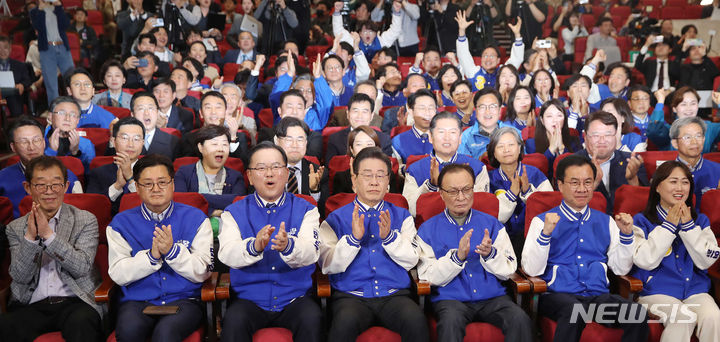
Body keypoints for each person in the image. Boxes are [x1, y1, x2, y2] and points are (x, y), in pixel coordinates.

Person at [522, 155, 649, 342]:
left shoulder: (607, 222)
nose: (582, 189)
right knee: (575, 311)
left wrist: (626, 236)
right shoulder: (542, 221)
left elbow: (621, 269)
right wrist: (545, 234)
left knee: (636, 313)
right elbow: (532, 270)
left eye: (587, 182)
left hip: (598, 297)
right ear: (560, 185)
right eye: (574, 183)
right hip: (557, 296)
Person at [318, 146, 428, 341]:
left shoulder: (402, 216)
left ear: (388, 182)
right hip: (351, 296)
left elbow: (412, 261)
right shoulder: (335, 218)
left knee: (416, 320)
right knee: (343, 324)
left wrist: (390, 239)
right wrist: (353, 240)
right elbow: (327, 265)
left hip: (395, 295)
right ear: (354, 181)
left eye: (380, 176)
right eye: (367, 176)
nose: (374, 182)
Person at [415, 163, 533, 342]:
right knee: (450, 323)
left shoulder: (492, 224)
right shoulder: (427, 230)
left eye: (466, 189)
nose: (461, 197)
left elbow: (510, 269)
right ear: (441, 193)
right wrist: (457, 258)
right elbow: (427, 276)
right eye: (453, 191)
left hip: (493, 297)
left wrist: (490, 254)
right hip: (451, 300)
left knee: (520, 319)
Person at [218, 142, 322, 342]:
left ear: (286, 173)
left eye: (276, 167)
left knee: (313, 318)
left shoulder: (307, 209)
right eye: (261, 168)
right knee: (233, 322)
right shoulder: (233, 212)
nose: (269, 173)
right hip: (248, 300)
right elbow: (227, 253)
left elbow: (312, 252)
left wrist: (289, 246)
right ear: (249, 176)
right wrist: (254, 247)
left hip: (295, 298)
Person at [107, 154, 213, 342]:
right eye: (148, 184)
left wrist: (173, 253)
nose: (156, 189)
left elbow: (204, 270)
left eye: (163, 182)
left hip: (184, 300)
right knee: (128, 331)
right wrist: (151, 257)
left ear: (172, 184)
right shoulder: (120, 223)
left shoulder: (196, 219)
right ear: (137, 188)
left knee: (166, 334)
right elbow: (117, 273)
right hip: (137, 301)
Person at [0, 156, 102, 342]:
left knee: (82, 324)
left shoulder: (85, 220)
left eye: (56, 184)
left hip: (75, 301)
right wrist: (30, 239)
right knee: (6, 327)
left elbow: (81, 268)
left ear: (65, 186)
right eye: (40, 185)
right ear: (28, 188)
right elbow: (20, 276)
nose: (49, 192)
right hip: (32, 304)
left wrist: (49, 236)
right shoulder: (15, 227)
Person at [631, 161, 720, 342]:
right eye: (673, 181)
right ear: (657, 187)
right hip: (656, 292)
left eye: (685, 182)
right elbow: (645, 260)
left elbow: (707, 260)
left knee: (713, 316)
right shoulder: (641, 220)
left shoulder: (700, 221)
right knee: (681, 317)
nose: (680, 188)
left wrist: (688, 227)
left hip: (695, 291)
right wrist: (669, 227)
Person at [404, 111, 489, 217]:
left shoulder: (477, 167)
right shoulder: (414, 170)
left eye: (453, 132)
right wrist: (431, 186)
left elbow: (482, 208)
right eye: (441, 132)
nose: (447, 137)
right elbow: (409, 210)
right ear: (430, 137)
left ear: (460, 138)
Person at [487, 127, 552, 258]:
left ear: (520, 148)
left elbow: (549, 209)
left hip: (532, 239)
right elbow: (490, 217)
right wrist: (511, 194)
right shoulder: (488, 179)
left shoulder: (535, 174)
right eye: (500, 146)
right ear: (493, 152)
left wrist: (528, 192)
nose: (506, 150)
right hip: (499, 242)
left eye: (511, 145)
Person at [0, 117, 83, 219]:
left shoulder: (67, 175)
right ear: (13, 147)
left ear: (44, 142)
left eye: (36, 140)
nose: (31, 147)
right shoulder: (2, 178)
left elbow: (80, 215)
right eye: (24, 142)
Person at [577, 111, 648, 213]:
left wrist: (633, 180)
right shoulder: (571, 164)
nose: (602, 140)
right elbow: (567, 203)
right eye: (596, 135)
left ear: (616, 136)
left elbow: (645, 204)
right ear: (585, 137)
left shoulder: (632, 161)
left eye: (608, 134)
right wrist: (593, 183)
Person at [175, 125, 246, 216]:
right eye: (214, 144)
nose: (220, 149)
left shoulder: (235, 176)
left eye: (225, 144)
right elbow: (180, 202)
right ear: (201, 147)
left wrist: (198, 197)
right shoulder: (184, 172)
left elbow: (238, 203)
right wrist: (214, 212)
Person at [86, 117, 144, 214]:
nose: (130, 144)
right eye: (125, 138)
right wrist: (117, 186)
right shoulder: (98, 173)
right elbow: (92, 209)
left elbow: (153, 204)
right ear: (113, 141)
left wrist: (130, 179)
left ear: (143, 143)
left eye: (136, 139)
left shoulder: (151, 171)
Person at [455, 10, 524, 91]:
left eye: (491, 56)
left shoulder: (503, 72)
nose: (488, 59)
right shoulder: (473, 72)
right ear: (481, 59)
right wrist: (462, 31)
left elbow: (517, 59)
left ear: (498, 60)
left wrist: (517, 35)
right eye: (485, 56)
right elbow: (463, 56)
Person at [177, 91, 249, 162]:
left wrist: (233, 137)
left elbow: (240, 165)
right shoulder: (189, 139)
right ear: (201, 113)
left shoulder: (239, 138)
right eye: (208, 107)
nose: (213, 112)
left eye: (218, 107)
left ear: (225, 111)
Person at [332, 125, 400, 195]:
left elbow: (395, 203)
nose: (364, 148)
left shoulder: (388, 175)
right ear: (352, 150)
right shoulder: (341, 178)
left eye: (369, 144)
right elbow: (338, 204)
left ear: (377, 148)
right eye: (359, 144)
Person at [257, 89, 323, 160]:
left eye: (299, 108)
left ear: (304, 112)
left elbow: (311, 162)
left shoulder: (313, 137)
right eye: (289, 107)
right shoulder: (266, 133)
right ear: (280, 111)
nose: (294, 112)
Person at [30, 0, 75, 104]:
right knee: (51, 83)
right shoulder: (34, 11)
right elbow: (38, 27)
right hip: (47, 49)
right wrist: (41, 10)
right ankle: (54, 110)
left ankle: (77, 106)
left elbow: (65, 25)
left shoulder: (58, 7)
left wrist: (59, 7)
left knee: (72, 78)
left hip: (62, 46)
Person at [326, 93, 393, 163]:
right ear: (348, 114)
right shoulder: (335, 139)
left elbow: (388, 169)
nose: (359, 116)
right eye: (355, 111)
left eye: (365, 111)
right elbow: (331, 169)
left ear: (372, 116)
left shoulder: (384, 140)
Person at [669, 117, 720, 209]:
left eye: (698, 136)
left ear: (704, 139)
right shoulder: (664, 173)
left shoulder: (718, 170)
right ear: (675, 143)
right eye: (687, 137)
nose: (694, 142)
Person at [274, 117, 328, 202]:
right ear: (277, 142)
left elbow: (322, 211)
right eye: (289, 139)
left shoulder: (319, 173)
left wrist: (314, 190)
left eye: (300, 139)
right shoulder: (264, 171)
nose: (295, 145)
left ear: (306, 143)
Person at [651, 87, 720, 153]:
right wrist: (660, 102)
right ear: (674, 109)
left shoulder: (709, 127)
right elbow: (654, 131)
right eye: (683, 104)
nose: (689, 108)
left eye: (693, 103)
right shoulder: (668, 130)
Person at [458, 88, 520, 159]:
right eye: (482, 107)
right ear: (476, 110)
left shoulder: (515, 133)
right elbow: (463, 166)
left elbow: (522, 162)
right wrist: (480, 162)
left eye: (492, 107)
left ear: (499, 110)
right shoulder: (464, 137)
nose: (487, 112)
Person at [333, 1, 402, 61]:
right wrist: (337, 12)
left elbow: (395, 30)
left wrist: (396, 13)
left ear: (376, 34)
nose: (368, 34)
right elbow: (338, 32)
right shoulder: (354, 41)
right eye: (365, 32)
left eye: (371, 32)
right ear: (360, 33)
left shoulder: (381, 41)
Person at [525, 100, 582, 172]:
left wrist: (561, 148)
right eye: (549, 116)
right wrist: (551, 149)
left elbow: (576, 169)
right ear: (542, 120)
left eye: (559, 115)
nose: (555, 120)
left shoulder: (574, 141)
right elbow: (536, 172)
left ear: (564, 119)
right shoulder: (531, 144)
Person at [43, 96, 96, 170]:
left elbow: (88, 175)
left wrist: (76, 153)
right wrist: (51, 151)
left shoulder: (86, 145)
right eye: (62, 113)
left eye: (73, 115)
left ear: (77, 120)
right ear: (50, 116)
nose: (67, 118)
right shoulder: (39, 141)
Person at [391, 89, 437, 164]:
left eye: (431, 108)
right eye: (422, 108)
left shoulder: (446, 137)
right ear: (411, 111)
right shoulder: (398, 141)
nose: (427, 113)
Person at [129, 92, 178, 160]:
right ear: (132, 114)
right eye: (141, 109)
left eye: (151, 108)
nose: (146, 113)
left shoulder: (173, 141)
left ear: (157, 112)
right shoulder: (123, 140)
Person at [0, 36, 32, 117]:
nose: (2, 51)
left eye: (5, 48)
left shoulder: (20, 65)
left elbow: (27, 80)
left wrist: (22, 85)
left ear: (10, 49)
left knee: (16, 106)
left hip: (13, 94)